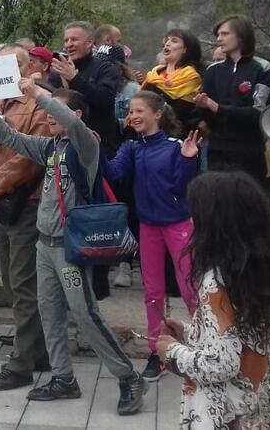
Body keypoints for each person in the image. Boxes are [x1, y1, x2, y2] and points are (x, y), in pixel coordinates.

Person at [0, 78, 145, 415]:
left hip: (70, 248)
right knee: (49, 312)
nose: (48, 115)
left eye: (56, 109)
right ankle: (64, 378)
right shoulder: (51, 147)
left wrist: (38, 94)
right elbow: (10, 137)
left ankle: (128, 377)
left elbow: (70, 122)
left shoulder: (85, 144)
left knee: (85, 313)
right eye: (47, 109)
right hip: (44, 244)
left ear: (75, 115)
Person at [156, 172, 270, 428]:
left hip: (222, 415)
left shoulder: (214, 284)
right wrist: (190, 331)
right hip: (252, 409)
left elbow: (220, 363)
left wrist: (171, 351)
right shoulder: (250, 272)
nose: (190, 220)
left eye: (196, 214)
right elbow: (235, 338)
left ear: (216, 225)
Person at [103, 91, 201, 381]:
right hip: (148, 226)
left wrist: (188, 160)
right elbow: (112, 173)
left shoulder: (174, 147)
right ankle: (158, 352)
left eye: (139, 111)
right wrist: (93, 147)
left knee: (190, 288)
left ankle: (205, 343)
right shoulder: (132, 147)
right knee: (153, 292)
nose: (133, 116)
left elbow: (183, 187)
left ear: (157, 114)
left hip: (178, 225)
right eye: (130, 111)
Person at [0, 46, 50, 390]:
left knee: (22, 283)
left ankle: (21, 365)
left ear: (28, 66)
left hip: (24, 203)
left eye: (13, 63)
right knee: (11, 279)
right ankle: (37, 348)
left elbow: (29, 157)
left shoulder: (37, 104)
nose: (4, 70)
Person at [197, 15, 270, 192]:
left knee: (250, 205)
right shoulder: (213, 70)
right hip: (218, 152)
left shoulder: (262, 68)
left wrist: (218, 108)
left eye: (225, 34)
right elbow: (209, 116)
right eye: (218, 35)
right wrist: (202, 108)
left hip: (250, 153)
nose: (219, 39)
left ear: (241, 36)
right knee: (221, 203)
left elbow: (259, 113)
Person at [51, 22, 122, 156]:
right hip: (65, 147)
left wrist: (74, 78)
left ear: (89, 42)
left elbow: (104, 99)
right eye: (66, 40)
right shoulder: (57, 73)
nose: (69, 44)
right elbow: (50, 104)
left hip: (100, 148)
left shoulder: (105, 68)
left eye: (74, 39)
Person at [141, 29, 204, 133]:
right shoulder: (154, 73)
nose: (167, 43)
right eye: (167, 41)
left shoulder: (190, 77)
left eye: (174, 41)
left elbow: (182, 111)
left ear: (185, 49)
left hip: (174, 133)